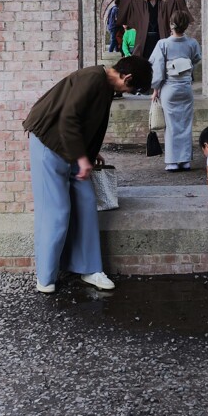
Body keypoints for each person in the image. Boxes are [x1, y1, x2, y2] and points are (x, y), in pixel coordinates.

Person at [22, 55, 153, 294]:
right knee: (57, 211)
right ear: (128, 77)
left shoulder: (105, 85)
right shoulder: (93, 79)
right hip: (48, 142)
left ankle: (90, 268)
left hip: (70, 146)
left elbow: (86, 121)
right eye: (132, 89)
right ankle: (45, 277)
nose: (129, 92)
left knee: (86, 202)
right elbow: (67, 119)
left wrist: (91, 153)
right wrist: (82, 158)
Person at [101, 0, 207, 62]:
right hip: (144, 40)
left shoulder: (164, 6)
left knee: (160, 61)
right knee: (143, 62)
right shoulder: (141, 5)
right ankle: (144, 86)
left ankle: (158, 86)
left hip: (159, 38)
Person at [150, 10, 201, 172]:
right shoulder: (192, 43)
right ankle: (185, 160)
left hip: (169, 87)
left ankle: (172, 161)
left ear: (170, 24)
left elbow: (157, 69)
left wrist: (155, 89)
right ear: (186, 25)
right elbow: (196, 58)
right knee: (185, 124)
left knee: (171, 125)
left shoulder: (163, 44)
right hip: (185, 87)